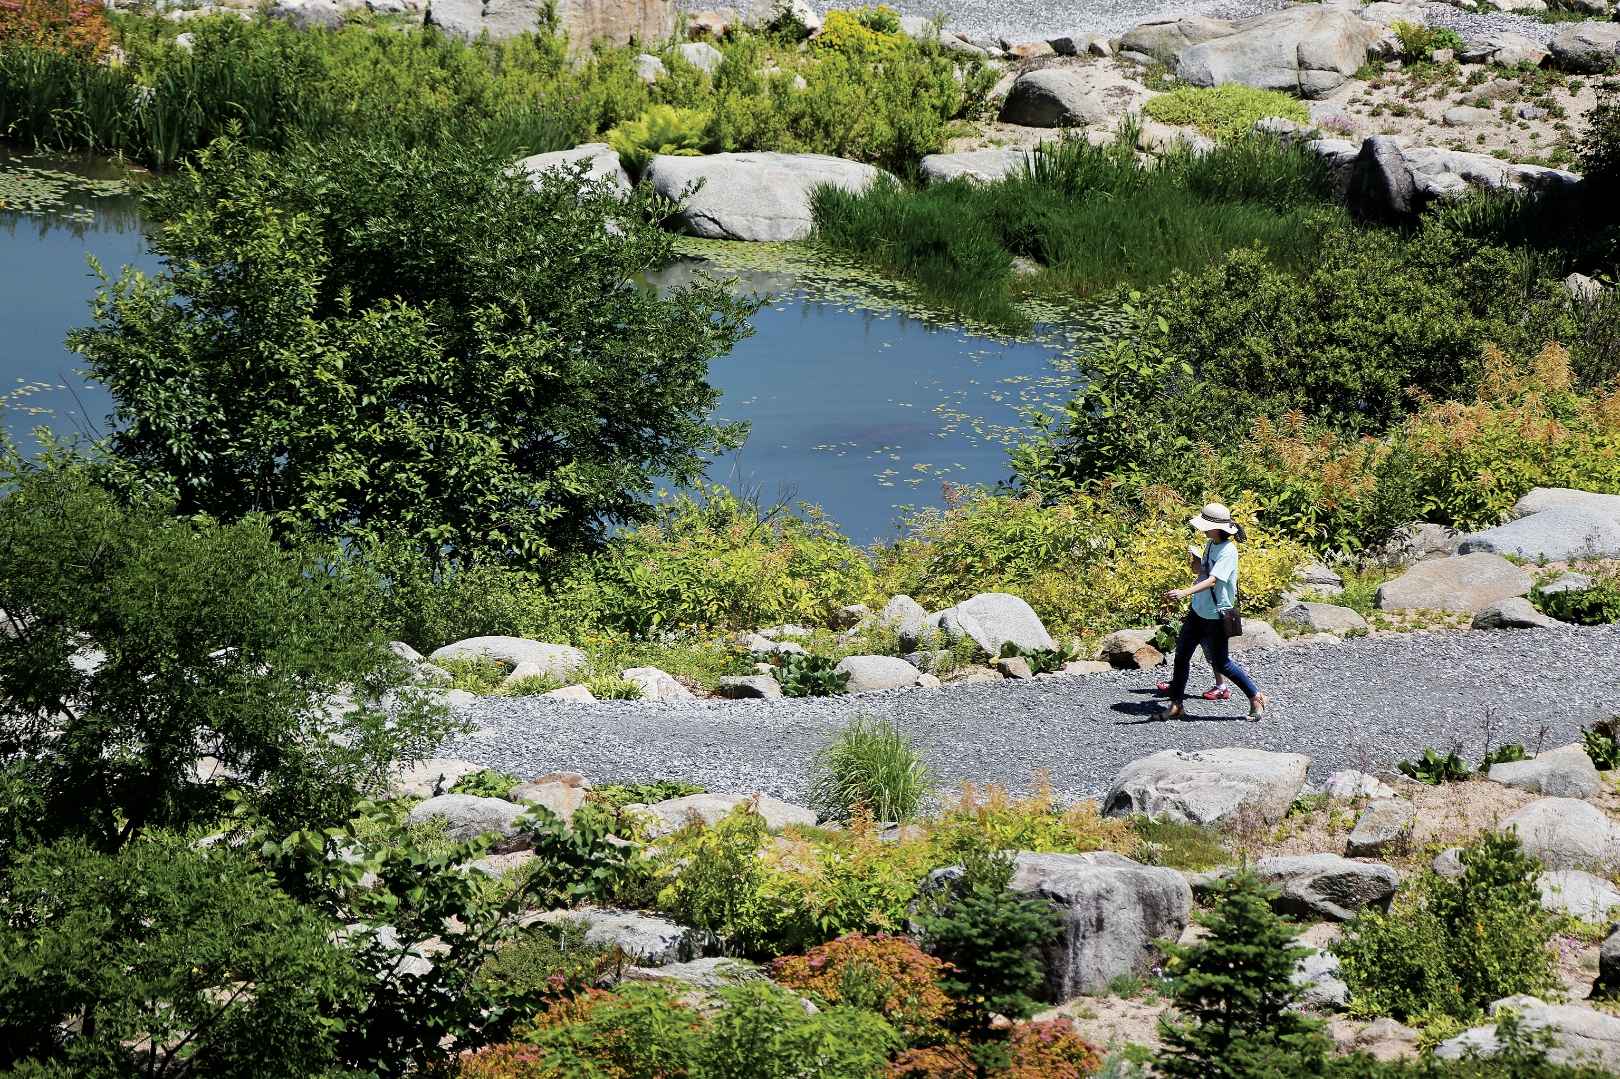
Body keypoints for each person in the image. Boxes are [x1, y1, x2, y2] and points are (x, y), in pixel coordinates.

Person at [1153, 503, 1269, 722]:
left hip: (1216, 615)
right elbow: (1203, 572)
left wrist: (1183, 592)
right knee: (1181, 657)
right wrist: (1196, 562)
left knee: (1221, 663)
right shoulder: (1210, 544)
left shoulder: (1228, 551)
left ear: (1218, 528)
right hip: (1198, 611)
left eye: (1206, 526)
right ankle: (1176, 705)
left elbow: (1214, 580)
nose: (1202, 529)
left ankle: (1256, 696)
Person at [1156, 544, 1229, 701]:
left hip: (1208, 623)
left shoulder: (1208, 580)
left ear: (1203, 564)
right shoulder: (1201, 578)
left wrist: (1183, 593)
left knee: (1213, 657)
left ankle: (1222, 687)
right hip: (1198, 620)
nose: (1191, 564)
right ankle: (1177, 684)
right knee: (1183, 653)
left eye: (1194, 561)